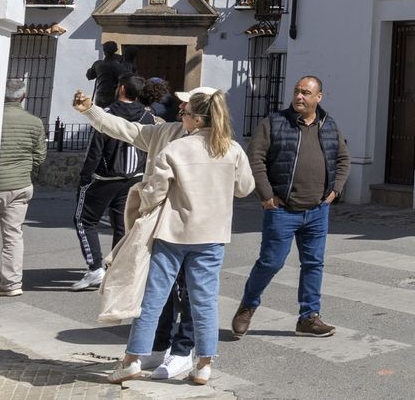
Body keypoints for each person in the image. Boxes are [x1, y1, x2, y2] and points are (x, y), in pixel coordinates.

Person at [77, 86, 254, 386]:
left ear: (196, 119)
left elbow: (155, 192)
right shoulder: (231, 148)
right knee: (205, 301)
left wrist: (141, 200)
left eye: (185, 111)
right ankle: (204, 365)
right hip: (212, 235)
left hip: (173, 233)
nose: (180, 114)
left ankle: (132, 360)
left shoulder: (175, 149)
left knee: (153, 299)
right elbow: (244, 188)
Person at [232, 76, 350, 340]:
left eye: (306, 93)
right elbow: (255, 158)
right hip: (282, 210)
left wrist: (335, 190)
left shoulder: (328, 125)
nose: (299, 96)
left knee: (313, 263)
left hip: (317, 210)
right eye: (297, 91)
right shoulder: (274, 122)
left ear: (318, 97)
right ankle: (248, 306)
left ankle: (309, 317)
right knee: (270, 262)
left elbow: (343, 158)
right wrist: (266, 195)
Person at [72, 74, 155, 291]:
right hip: (133, 177)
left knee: (84, 220)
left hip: (104, 178)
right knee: (122, 224)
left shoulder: (107, 114)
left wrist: (85, 177)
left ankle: (95, 269)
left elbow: (95, 149)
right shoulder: (148, 116)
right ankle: (116, 268)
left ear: (121, 89)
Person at [0, 78, 45, 297]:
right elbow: (40, 156)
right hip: (21, 184)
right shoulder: (35, 122)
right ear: (23, 97)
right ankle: (12, 283)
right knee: (13, 235)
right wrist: (25, 169)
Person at [86, 42, 130, 107]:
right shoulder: (118, 66)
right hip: (112, 98)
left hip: (100, 97)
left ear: (104, 50)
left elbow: (89, 76)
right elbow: (127, 79)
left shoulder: (98, 64)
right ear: (116, 50)